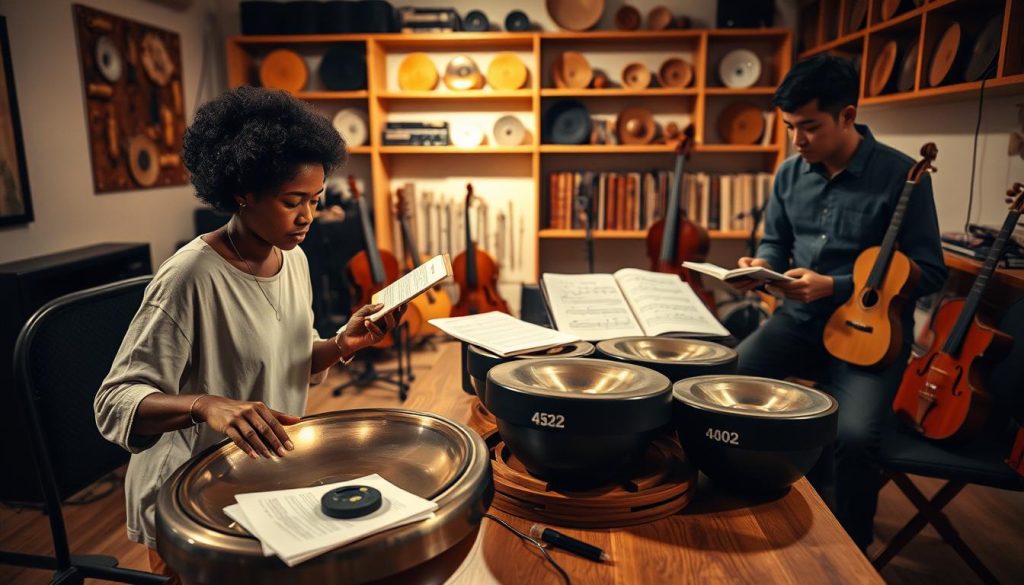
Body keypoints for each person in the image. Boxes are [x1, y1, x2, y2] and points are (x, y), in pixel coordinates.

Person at [94, 86, 405, 580]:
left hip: (259, 479)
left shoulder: (293, 259)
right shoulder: (189, 277)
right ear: (243, 192)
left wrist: (341, 344)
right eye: (292, 201)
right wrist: (206, 405)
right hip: (187, 496)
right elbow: (114, 402)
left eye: (315, 200)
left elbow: (287, 359)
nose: (308, 217)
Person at [731, 54, 947, 551]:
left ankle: (851, 551)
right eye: (789, 127)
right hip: (798, 320)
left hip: (870, 336)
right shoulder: (789, 173)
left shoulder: (904, 177)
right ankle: (743, 497)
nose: (797, 140)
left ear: (847, 115)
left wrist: (838, 286)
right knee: (723, 382)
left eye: (809, 127)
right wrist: (760, 267)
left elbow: (931, 272)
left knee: (854, 437)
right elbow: (775, 242)